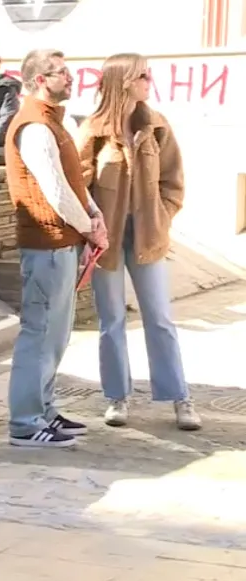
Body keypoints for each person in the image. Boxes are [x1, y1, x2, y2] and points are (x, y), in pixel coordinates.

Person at [74, 53, 199, 431]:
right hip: (106, 240)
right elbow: (80, 186)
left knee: (159, 318)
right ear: (124, 81)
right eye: (143, 75)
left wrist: (162, 214)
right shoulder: (93, 131)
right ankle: (118, 397)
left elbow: (173, 180)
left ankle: (179, 397)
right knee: (111, 320)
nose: (149, 81)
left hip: (149, 235)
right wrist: (89, 230)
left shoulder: (157, 126)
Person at [4, 49, 108, 448]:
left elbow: (74, 184)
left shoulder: (53, 123)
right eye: (60, 72)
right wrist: (91, 228)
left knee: (57, 334)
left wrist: (93, 218)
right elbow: (56, 192)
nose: (70, 77)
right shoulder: (34, 127)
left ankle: (44, 409)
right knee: (41, 332)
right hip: (46, 243)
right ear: (39, 81)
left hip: (63, 241)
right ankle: (26, 423)